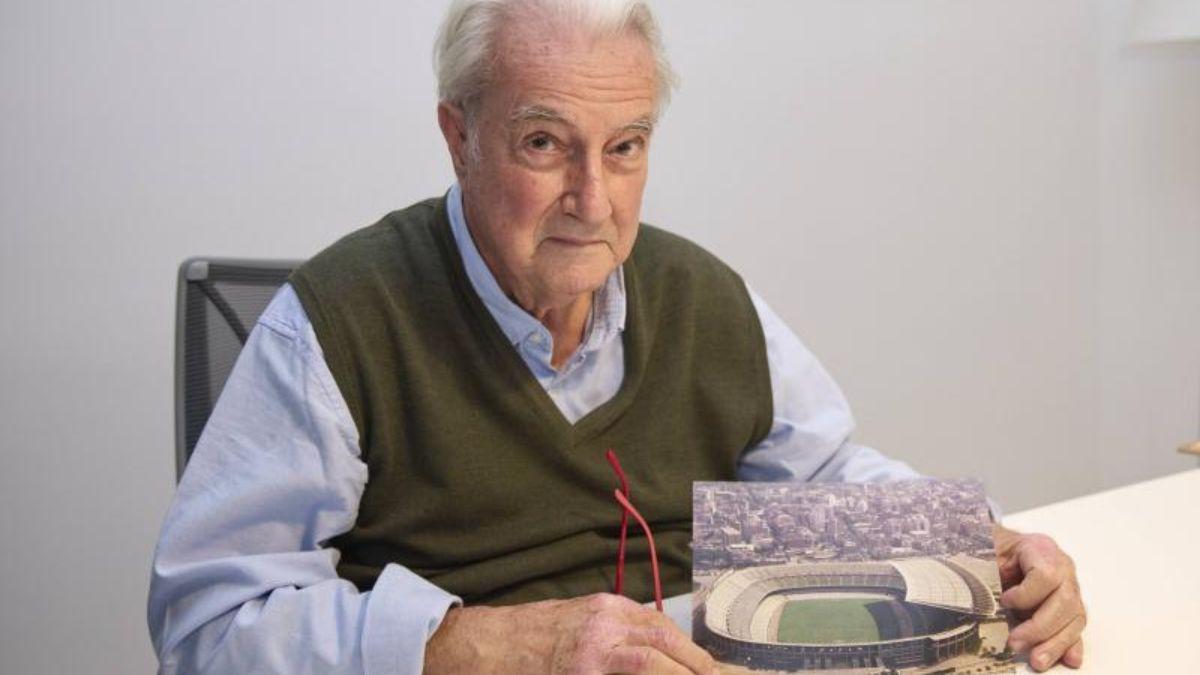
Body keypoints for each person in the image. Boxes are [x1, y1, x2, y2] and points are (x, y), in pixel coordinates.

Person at [147, 1, 1085, 673]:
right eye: (545, 143)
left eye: (625, 147)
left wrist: (986, 548)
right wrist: (495, 645)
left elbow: (826, 475)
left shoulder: (699, 293)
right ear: (458, 136)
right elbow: (209, 625)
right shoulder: (338, 321)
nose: (593, 201)